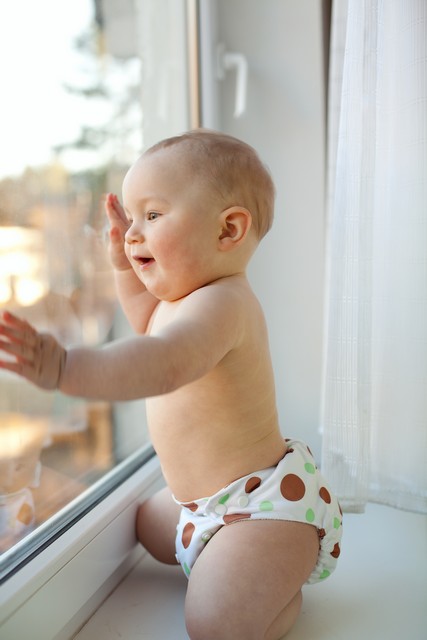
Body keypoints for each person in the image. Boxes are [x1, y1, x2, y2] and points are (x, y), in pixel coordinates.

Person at [0, 130, 342, 639]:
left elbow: (158, 361)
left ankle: (282, 594)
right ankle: (232, 568)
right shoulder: (182, 302)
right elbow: (144, 320)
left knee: (213, 625)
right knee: (140, 523)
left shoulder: (224, 306)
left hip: (261, 511)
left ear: (228, 230)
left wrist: (65, 368)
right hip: (198, 509)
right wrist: (123, 265)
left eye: (153, 216)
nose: (135, 232)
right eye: (131, 219)